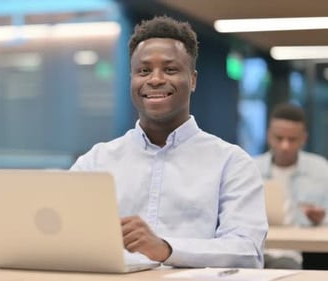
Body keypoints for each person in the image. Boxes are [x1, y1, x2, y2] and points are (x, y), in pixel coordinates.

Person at [70, 15, 267, 268]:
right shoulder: (96, 161)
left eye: (170, 69)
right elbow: (67, 235)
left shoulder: (231, 162)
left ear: (193, 80)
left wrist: (166, 248)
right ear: (132, 79)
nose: (155, 79)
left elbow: (247, 250)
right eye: (144, 70)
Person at [254, 102, 328, 269]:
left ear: (304, 139)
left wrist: (321, 218)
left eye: (292, 139)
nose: (285, 146)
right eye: (279, 138)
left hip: (304, 253)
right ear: (268, 136)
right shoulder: (251, 168)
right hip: (259, 249)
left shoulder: (321, 169)